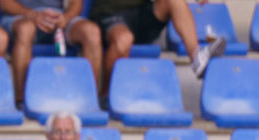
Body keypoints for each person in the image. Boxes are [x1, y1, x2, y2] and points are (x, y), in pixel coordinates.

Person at [90, 0, 224, 90]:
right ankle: (106, 96)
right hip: (110, 14)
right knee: (124, 39)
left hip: (140, 14)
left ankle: (197, 57)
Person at [0, 0, 104, 103]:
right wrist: (32, 15)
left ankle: (88, 100)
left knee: (91, 32)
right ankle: (21, 100)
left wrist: (65, 18)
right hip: (22, 16)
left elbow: (75, 4)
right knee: (25, 29)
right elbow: (5, 4)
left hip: (58, 17)